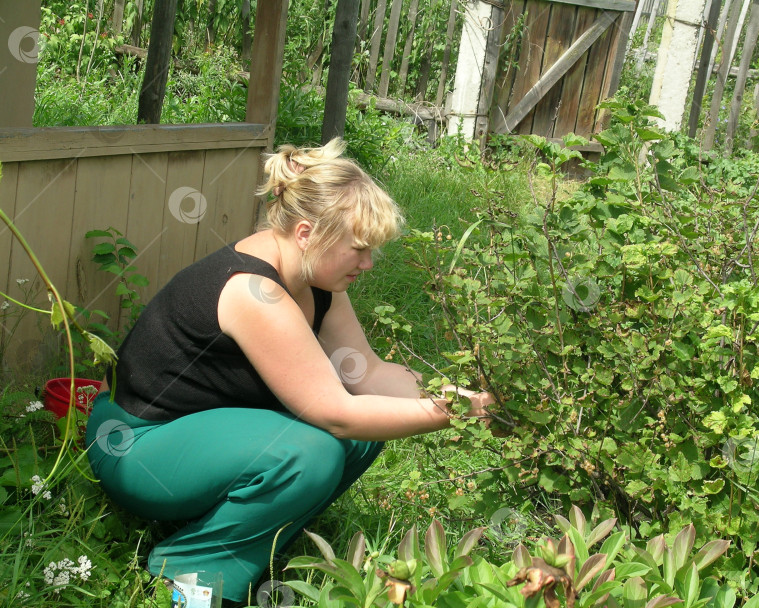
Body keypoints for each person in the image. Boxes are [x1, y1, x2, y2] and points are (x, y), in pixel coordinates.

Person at [85, 138, 493, 606]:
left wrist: (458, 397)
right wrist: (446, 416)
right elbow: (337, 413)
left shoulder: (317, 279)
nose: (368, 263)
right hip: (135, 446)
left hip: (193, 437)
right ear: (306, 233)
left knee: (363, 432)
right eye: (359, 249)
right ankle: (189, 575)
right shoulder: (253, 291)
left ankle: (251, 543)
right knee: (313, 450)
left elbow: (368, 373)